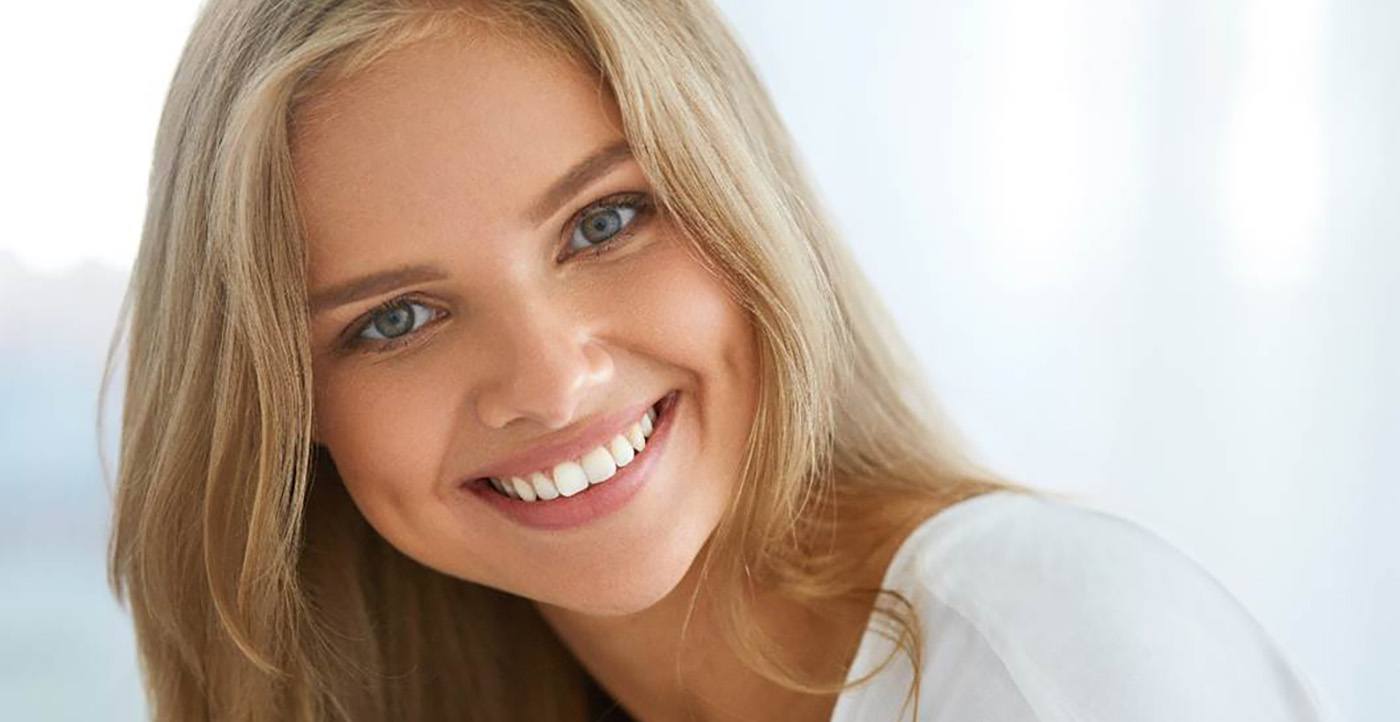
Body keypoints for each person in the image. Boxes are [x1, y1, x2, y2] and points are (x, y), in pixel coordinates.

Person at [102, 1, 1326, 720]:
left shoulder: (1053, 656)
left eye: (602, 220)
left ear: (741, 200)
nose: (548, 380)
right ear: (283, 407)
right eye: (395, 320)